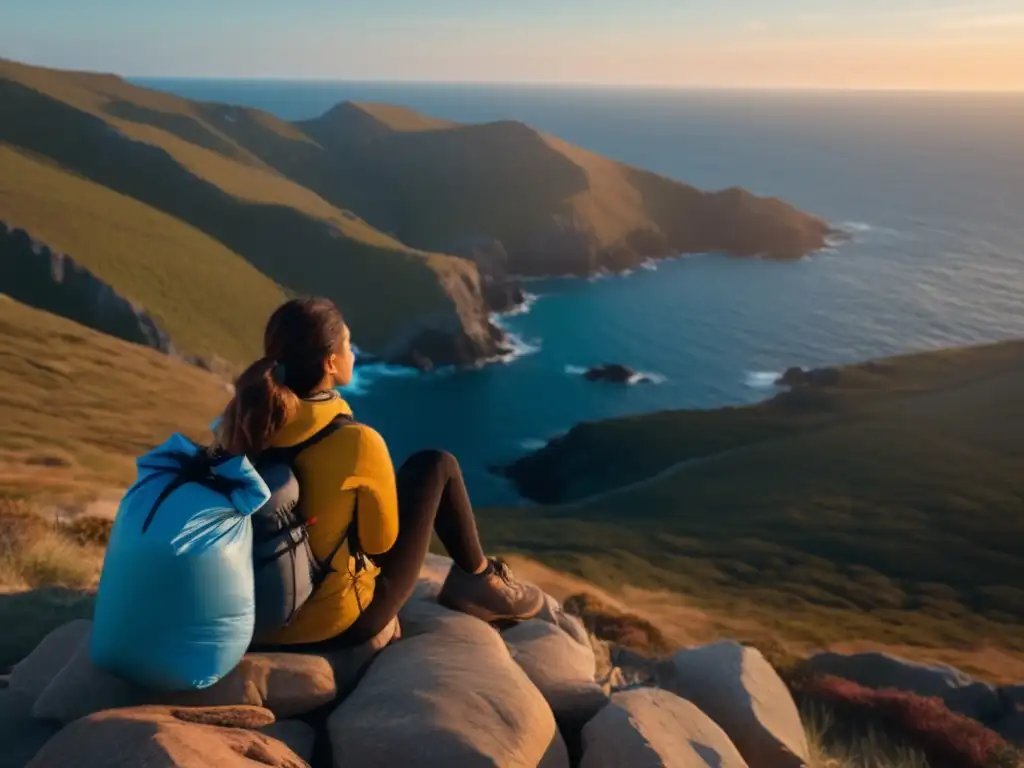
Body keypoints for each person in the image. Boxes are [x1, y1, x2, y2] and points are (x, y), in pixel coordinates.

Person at [214, 296, 545, 649]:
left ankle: (480, 580)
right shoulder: (355, 441)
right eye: (347, 345)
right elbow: (380, 544)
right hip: (329, 625)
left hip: (250, 620)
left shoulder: (240, 424)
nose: (353, 354)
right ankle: (481, 582)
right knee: (436, 465)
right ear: (330, 362)